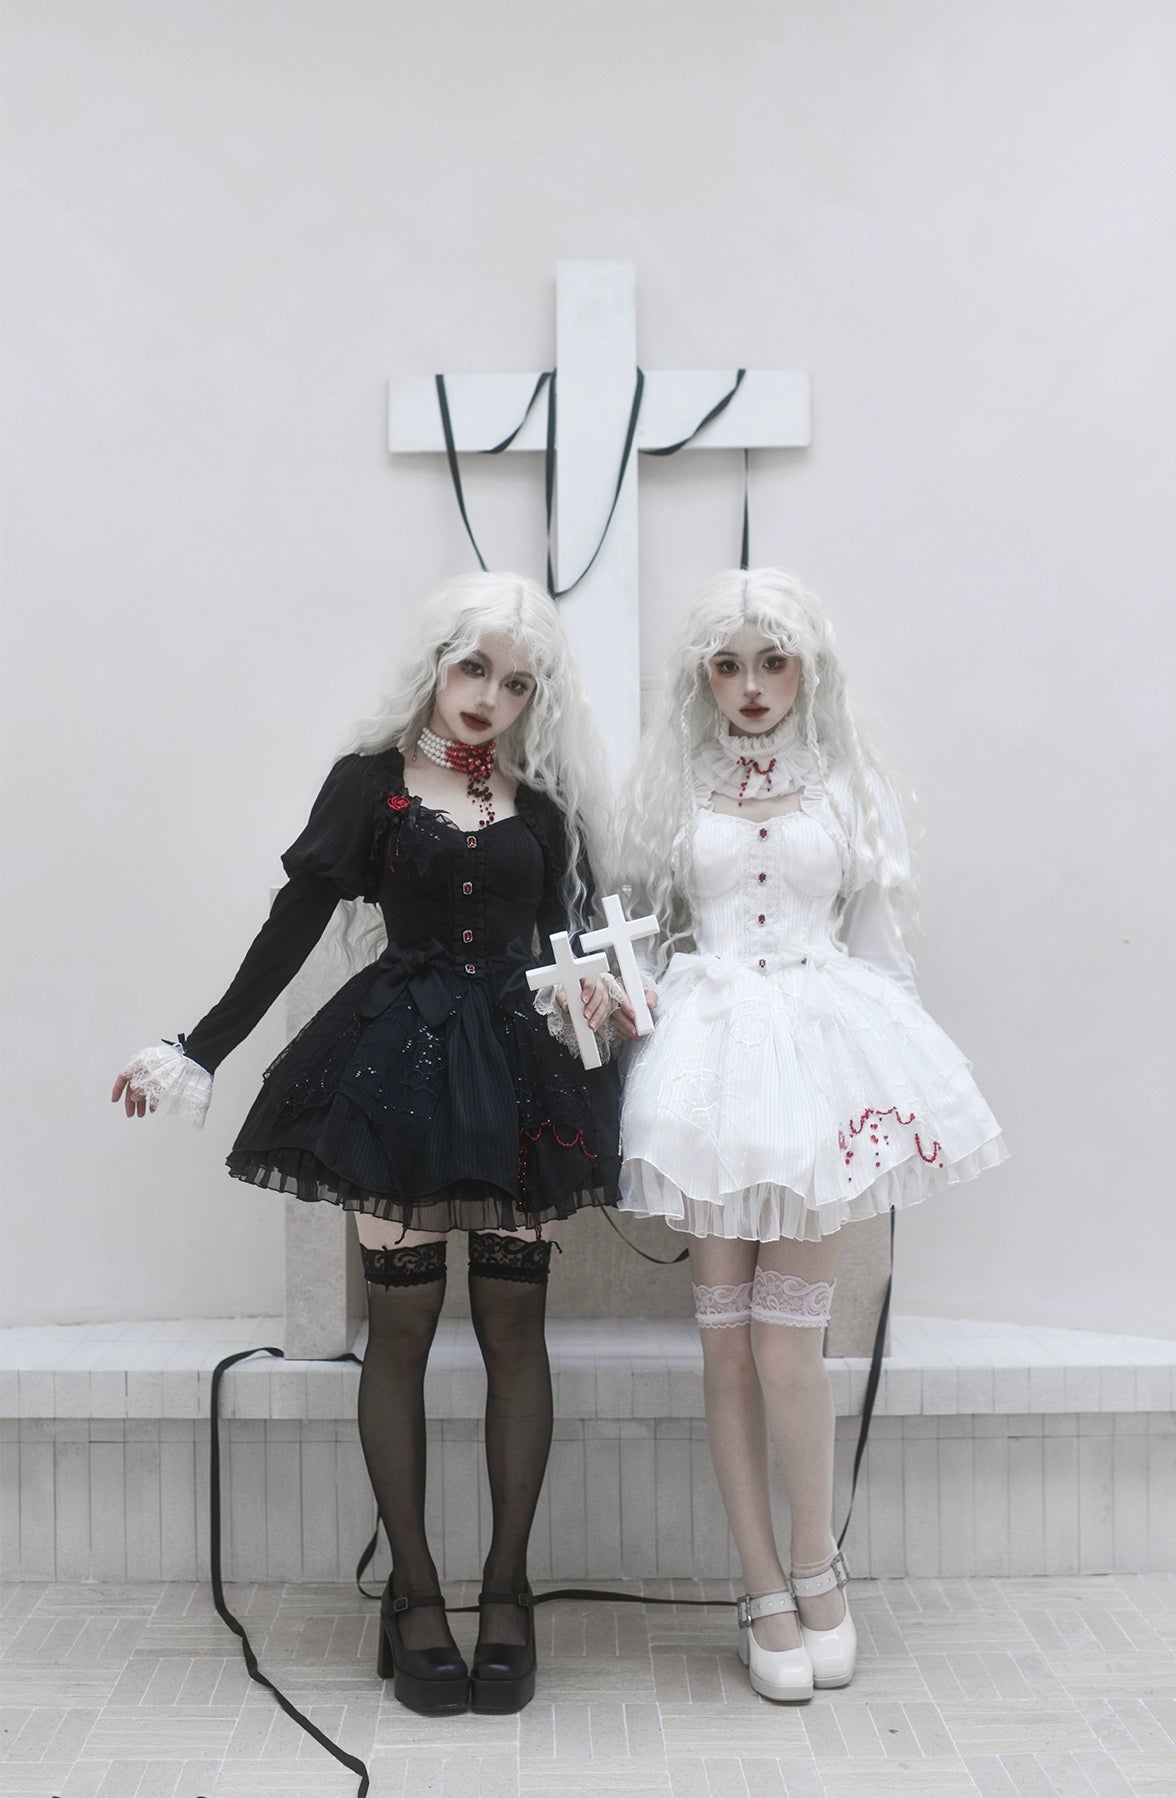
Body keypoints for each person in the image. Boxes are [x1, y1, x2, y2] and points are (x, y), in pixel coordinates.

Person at [114, 572, 623, 1717]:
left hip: (517, 1080)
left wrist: (606, 1000)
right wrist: (199, 1048)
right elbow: (293, 923)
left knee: (515, 1327)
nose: (489, 695)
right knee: (399, 1327)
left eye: (517, 682)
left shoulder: (546, 809)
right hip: (397, 1072)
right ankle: (416, 1594)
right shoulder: (368, 784)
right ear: (436, 663)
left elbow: (579, 950)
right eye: (474, 667)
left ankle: (507, 1592)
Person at [615, 568, 1006, 1702]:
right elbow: (641, 941)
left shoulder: (847, 788)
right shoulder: (673, 788)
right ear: (703, 677)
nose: (751, 685)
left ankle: (816, 1565)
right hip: (709, 1066)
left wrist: (901, 1093)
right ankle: (760, 1584)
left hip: (821, 1065)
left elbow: (880, 950)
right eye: (728, 665)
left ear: (807, 669)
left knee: (790, 1342)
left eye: (772, 661)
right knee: (724, 1341)